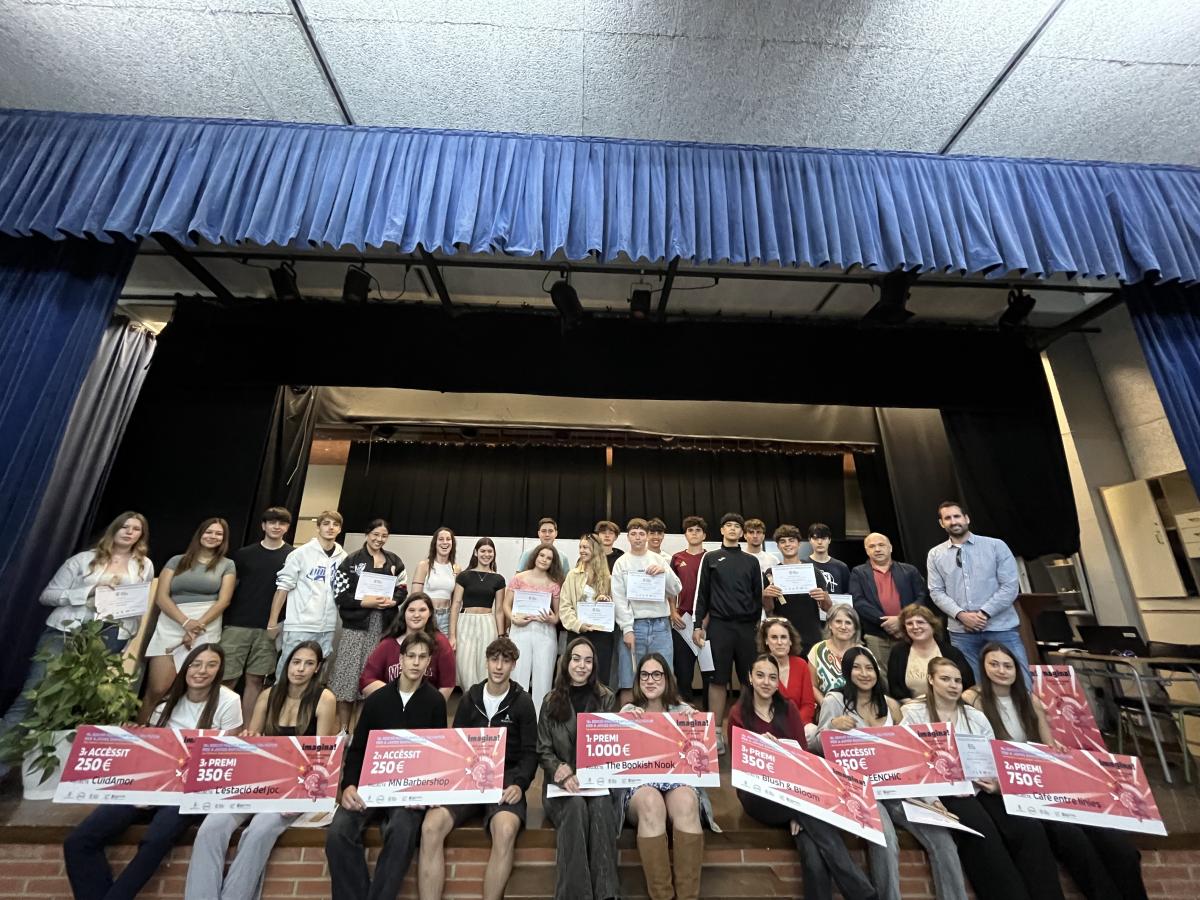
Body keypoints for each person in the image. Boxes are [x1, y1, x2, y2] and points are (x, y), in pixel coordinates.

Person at [65, 644, 242, 900]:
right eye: (196, 663)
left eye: (211, 664)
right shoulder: (166, 704)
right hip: (150, 787)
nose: (202, 671)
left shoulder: (229, 701)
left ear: (220, 669)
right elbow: (154, 754)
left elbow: (228, 757)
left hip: (191, 792)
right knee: (78, 841)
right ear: (185, 667)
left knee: (155, 841)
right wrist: (132, 736)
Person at [974, 643, 1148, 900]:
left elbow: (1049, 747)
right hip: (1017, 790)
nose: (1001, 670)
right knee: (1073, 840)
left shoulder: (1030, 701)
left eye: (1007, 665)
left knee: (1118, 845)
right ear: (983, 667)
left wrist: (1064, 757)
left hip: (1048, 784)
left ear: (1016, 669)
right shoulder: (975, 701)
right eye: (994, 664)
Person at [185, 641, 337, 900]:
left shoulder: (324, 698)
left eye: (308, 663)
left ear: (317, 668)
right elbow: (252, 740)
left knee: (259, 831)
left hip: (297, 786)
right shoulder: (268, 695)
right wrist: (250, 736)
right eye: (296, 662)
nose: (300, 669)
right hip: (260, 780)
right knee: (212, 826)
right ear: (287, 663)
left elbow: (323, 756)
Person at [815, 648, 968, 900]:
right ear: (847, 671)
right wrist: (831, 727)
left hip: (898, 786)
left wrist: (932, 799)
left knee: (942, 837)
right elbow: (815, 746)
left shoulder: (891, 705)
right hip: (860, 788)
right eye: (857, 667)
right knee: (884, 838)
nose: (864, 673)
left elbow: (909, 755)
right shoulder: (835, 700)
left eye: (869, 668)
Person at [901, 658, 1055, 900]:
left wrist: (996, 784)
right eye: (945, 679)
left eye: (957, 680)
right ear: (930, 680)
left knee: (1029, 829)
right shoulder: (913, 715)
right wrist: (930, 799)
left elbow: (992, 758)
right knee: (983, 833)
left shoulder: (975, 717)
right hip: (944, 792)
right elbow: (907, 762)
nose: (953, 685)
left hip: (983, 787)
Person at [729, 654, 877, 900]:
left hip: (796, 790)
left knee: (812, 848)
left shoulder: (788, 709)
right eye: (760, 675)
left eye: (772, 677)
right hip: (758, 794)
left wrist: (796, 803)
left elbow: (804, 757)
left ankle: (857, 891)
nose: (766, 682)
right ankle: (862, 892)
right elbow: (739, 769)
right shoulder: (738, 714)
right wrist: (757, 746)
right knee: (812, 814)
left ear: (778, 682)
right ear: (750, 678)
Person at [0, 511, 153, 748]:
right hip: (65, 631)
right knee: (35, 694)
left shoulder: (144, 565)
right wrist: (89, 592)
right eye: (124, 526)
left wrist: (130, 635)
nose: (129, 532)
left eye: (135, 529)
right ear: (114, 530)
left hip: (110, 635)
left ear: (141, 535)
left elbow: (137, 605)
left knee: (73, 702)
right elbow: (47, 595)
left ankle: (36, 765)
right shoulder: (83, 559)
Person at [326, 631, 447, 900]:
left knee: (402, 831)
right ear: (400, 660)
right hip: (369, 787)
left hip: (408, 793)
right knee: (338, 833)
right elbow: (357, 749)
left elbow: (437, 755)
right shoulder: (377, 700)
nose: (416, 662)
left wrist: (424, 793)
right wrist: (349, 786)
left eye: (422, 657)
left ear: (429, 663)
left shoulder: (435, 702)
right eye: (411, 656)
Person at [418, 637, 537, 900]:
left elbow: (530, 753)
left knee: (505, 830)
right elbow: (455, 742)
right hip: (467, 778)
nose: (499, 666)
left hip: (506, 780)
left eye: (505, 661)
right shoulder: (471, 697)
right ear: (486, 662)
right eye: (494, 659)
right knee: (430, 826)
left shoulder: (523, 702)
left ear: (513, 665)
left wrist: (519, 783)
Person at [617, 653, 712, 900]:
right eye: (645, 675)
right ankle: (662, 896)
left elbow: (701, 762)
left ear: (667, 679)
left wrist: (695, 728)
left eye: (657, 674)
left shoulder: (684, 711)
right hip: (640, 785)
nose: (650, 680)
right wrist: (625, 725)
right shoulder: (629, 710)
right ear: (638, 681)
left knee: (687, 802)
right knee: (651, 803)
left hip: (677, 780)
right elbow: (617, 762)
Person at [536, 637, 619, 900]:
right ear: (566, 662)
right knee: (575, 807)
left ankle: (607, 893)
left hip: (595, 782)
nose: (581, 666)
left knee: (601, 806)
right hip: (560, 787)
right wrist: (558, 768)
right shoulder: (550, 700)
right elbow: (543, 749)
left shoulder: (606, 698)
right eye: (576, 659)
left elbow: (609, 744)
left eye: (588, 660)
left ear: (594, 665)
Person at [141, 517, 236, 722]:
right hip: (171, 623)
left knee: (191, 689)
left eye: (218, 534)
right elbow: (161, 597)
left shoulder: (227, 565)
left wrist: (196, 627)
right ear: (200, 534)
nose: (213, 537)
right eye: (209, 532)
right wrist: (185, 623)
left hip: (205, 627)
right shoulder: (177, 561)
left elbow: (223, 601)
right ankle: (141, 734)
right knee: (157, 689)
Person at [927, 501, 1027, 682]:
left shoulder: (996, 546)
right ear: (942, 523)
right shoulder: (935, 554)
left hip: (1000, 628)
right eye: (947, 518)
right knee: (976, 689)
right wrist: (961, 615)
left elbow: (1010, 586)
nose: (953, 521)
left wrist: (984, 613)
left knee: (1019, 682)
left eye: (957, 516)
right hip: (962, 633)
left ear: (966, 519)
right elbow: (936, 591)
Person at [692, 513, 765, 752]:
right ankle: (716, 733)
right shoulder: (711, 558)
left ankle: (744, 731)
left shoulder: (751, 561)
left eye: (737, 526)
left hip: (747, 628)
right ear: (722, 530)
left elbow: (758, 596)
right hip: (719, 627)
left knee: (748, 681)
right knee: (717, 679)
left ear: (742, 533)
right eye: (729, 526)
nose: (733, 529)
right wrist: (697, 626)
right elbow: (701, 595)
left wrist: (756, 625)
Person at [330, 519, 406, 732]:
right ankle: (343, 729)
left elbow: (402, 587)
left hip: (383, 627)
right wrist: (365, 602)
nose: (379, 539)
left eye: (383, 536)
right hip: (355, 626)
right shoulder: (351, 560)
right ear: (367, 534)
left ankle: (361, 729)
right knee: (348, 677)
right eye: (375, 534)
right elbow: (340, 595)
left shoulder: (394, 561)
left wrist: (395, 600)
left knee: (371, 678)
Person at [220, 507, 293, 727]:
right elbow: (230, 589)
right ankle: (220, 726)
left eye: (281, 523)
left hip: (269, 629)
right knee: (227, 678)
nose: (276, 526)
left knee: (256, 680)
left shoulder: (293, 556)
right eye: (272, 522)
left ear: (287, 528)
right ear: (263, 525)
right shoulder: (244, 555)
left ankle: (246, 729)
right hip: (237, 624)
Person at [267, 510, 347, 680]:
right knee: (288, 672)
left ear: (340, 529)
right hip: (300, 624)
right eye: (326, 524)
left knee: (317, 674)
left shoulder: (344, 558)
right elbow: (283, 588)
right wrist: (272, 622)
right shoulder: (300, 554)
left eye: (335, 524)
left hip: (327, 627)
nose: (330, 528)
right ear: (318, 527)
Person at [613, 517, 682, 705]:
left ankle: (661, 725)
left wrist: (664, 572)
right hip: (635, 626)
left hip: (660, 626)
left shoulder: (660, 559)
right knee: (629, 679)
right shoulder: (621, 563)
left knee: (664, 675)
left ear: (647, 536)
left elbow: (676, 589)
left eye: (641, 534)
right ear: (628, 537)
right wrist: (627, 629)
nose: (637, 537)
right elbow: (619, 599)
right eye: (633, 534)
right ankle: (629, 725)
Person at [849, 532, 930, 675]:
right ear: (867, 551)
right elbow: (858, 601)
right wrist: (886, 622)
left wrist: (901, 620)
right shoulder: (858, 573)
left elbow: (922, 596)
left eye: (881, 545)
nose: (877, 549)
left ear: (890, 548)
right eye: (872, 546)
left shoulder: (909, 570)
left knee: (913, 671)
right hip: (876, 634)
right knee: (882, 674)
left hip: (909, 631)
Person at [360, 593, 455, 700]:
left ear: (430, 613)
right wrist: (395, 699)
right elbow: (366, 681)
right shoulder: (388, 644)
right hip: (390, 708)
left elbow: (447, 684)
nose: (416, 615)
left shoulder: (441, 643)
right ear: (404, 613)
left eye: (422, 610)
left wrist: (430, 708)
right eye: (411, 610)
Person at [504, 545, 563, 716]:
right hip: (520, 630)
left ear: (553, 562)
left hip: (545, 632)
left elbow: (557, 615)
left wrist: (553, 618)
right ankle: (514, 718)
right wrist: (513, 618)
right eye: (541, 555)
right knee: (517, 675)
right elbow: (506, 605)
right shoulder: (518, 578)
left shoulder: (554, 584)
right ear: (535, 556)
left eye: (549, 557)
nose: (544, 559)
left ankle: (539, 721)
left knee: (543, 679)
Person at [886, 604, 974, 704]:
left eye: (920, 622)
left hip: (949, 706)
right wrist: (912, 705)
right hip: (912, 708)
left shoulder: (951, 652)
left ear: (932, 625)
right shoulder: (898, 652)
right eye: (909, 623)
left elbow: (967, 683)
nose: (915, 627)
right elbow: (895, 687)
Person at [449, 537, 507, 690]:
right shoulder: (464, 576)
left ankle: (482, 702)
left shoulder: (498, 579)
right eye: (483, 551)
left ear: (494, 554)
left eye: (490, 551)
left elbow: (500, 609)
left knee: (485, 665)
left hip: (488, 623)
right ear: (476, 552)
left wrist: (501, 636)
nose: (486, 554)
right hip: (465, 622)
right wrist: (452, 635)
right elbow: (455, 604)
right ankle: (469, 698)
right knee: (464, 665)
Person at [560, 533, 617, 687]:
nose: (581, 550)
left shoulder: (609, 579)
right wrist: (579, 625)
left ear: (596, 549)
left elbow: (617, 609)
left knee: (600, 680)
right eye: (580, 547)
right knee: (575, 678)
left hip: (602, 636)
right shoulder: (572, 575)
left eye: (585, 547)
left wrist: (607, 602)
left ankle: (597, 711)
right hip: (578, 634)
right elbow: (565, 607)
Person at [763, 524, 828, 657]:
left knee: (811, 676)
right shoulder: (771, 573)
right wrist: (766, 596)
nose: (787, 544)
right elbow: (769, 610)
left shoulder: (813, 571)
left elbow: (827, 607)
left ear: (799, 544)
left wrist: (824, 597)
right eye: (782, 541)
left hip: (811, 635)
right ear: (778, 546)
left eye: (791, 540)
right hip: (784, 637)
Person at [669, 516, 708, 706]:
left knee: (709, 673)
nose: (694, 533)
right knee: (683, 673)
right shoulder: (677, 558)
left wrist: (706, 619)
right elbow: (669, 589)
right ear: (685, 534)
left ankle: (711, 718)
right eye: (690, 530)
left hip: (707, 622)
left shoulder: (711, 558)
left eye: (698, 530)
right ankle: (685, 716)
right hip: (682, 620)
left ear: (704, 534)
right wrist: (672, 611)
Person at [758, 617, 817, 742]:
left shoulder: (801, 665)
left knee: (813, 732)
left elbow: (808, 705)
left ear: (790, 641)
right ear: (766, 641)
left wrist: (793, 725)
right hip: (769, 728)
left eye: (784, 637)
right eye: (774, 637)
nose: (779, 642)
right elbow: (758, 707)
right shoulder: (759, 667)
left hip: (799, 726)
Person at [807, 604, 866, 705]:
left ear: (855, 628)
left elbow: (871, 686)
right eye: (838, 622)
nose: (843, 627)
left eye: (848, 623)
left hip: (859, 707)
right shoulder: (817, 650)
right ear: (830, 624)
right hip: (826, 708)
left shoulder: (863, 653)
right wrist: (826, 705)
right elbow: (812, 686)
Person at [411, 526, 459, 637]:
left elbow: (455, 601)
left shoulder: (456, 568)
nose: (445, 542)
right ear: (435, 543)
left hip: (447, 617)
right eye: (441, 539)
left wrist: (453, 634)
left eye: (448, 539)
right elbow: (414, 597)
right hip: (427, 615)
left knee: (443, 652)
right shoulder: (424, 565)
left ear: (452, 543)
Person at [805, 522, 850, 603]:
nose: (819, 542)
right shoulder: (803, 566)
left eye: (824, 538)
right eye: (815, 538)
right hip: (811, 613)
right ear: (810, 540)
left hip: (835, 612)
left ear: (829, 540)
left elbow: (848, 593)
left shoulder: (841, 567)